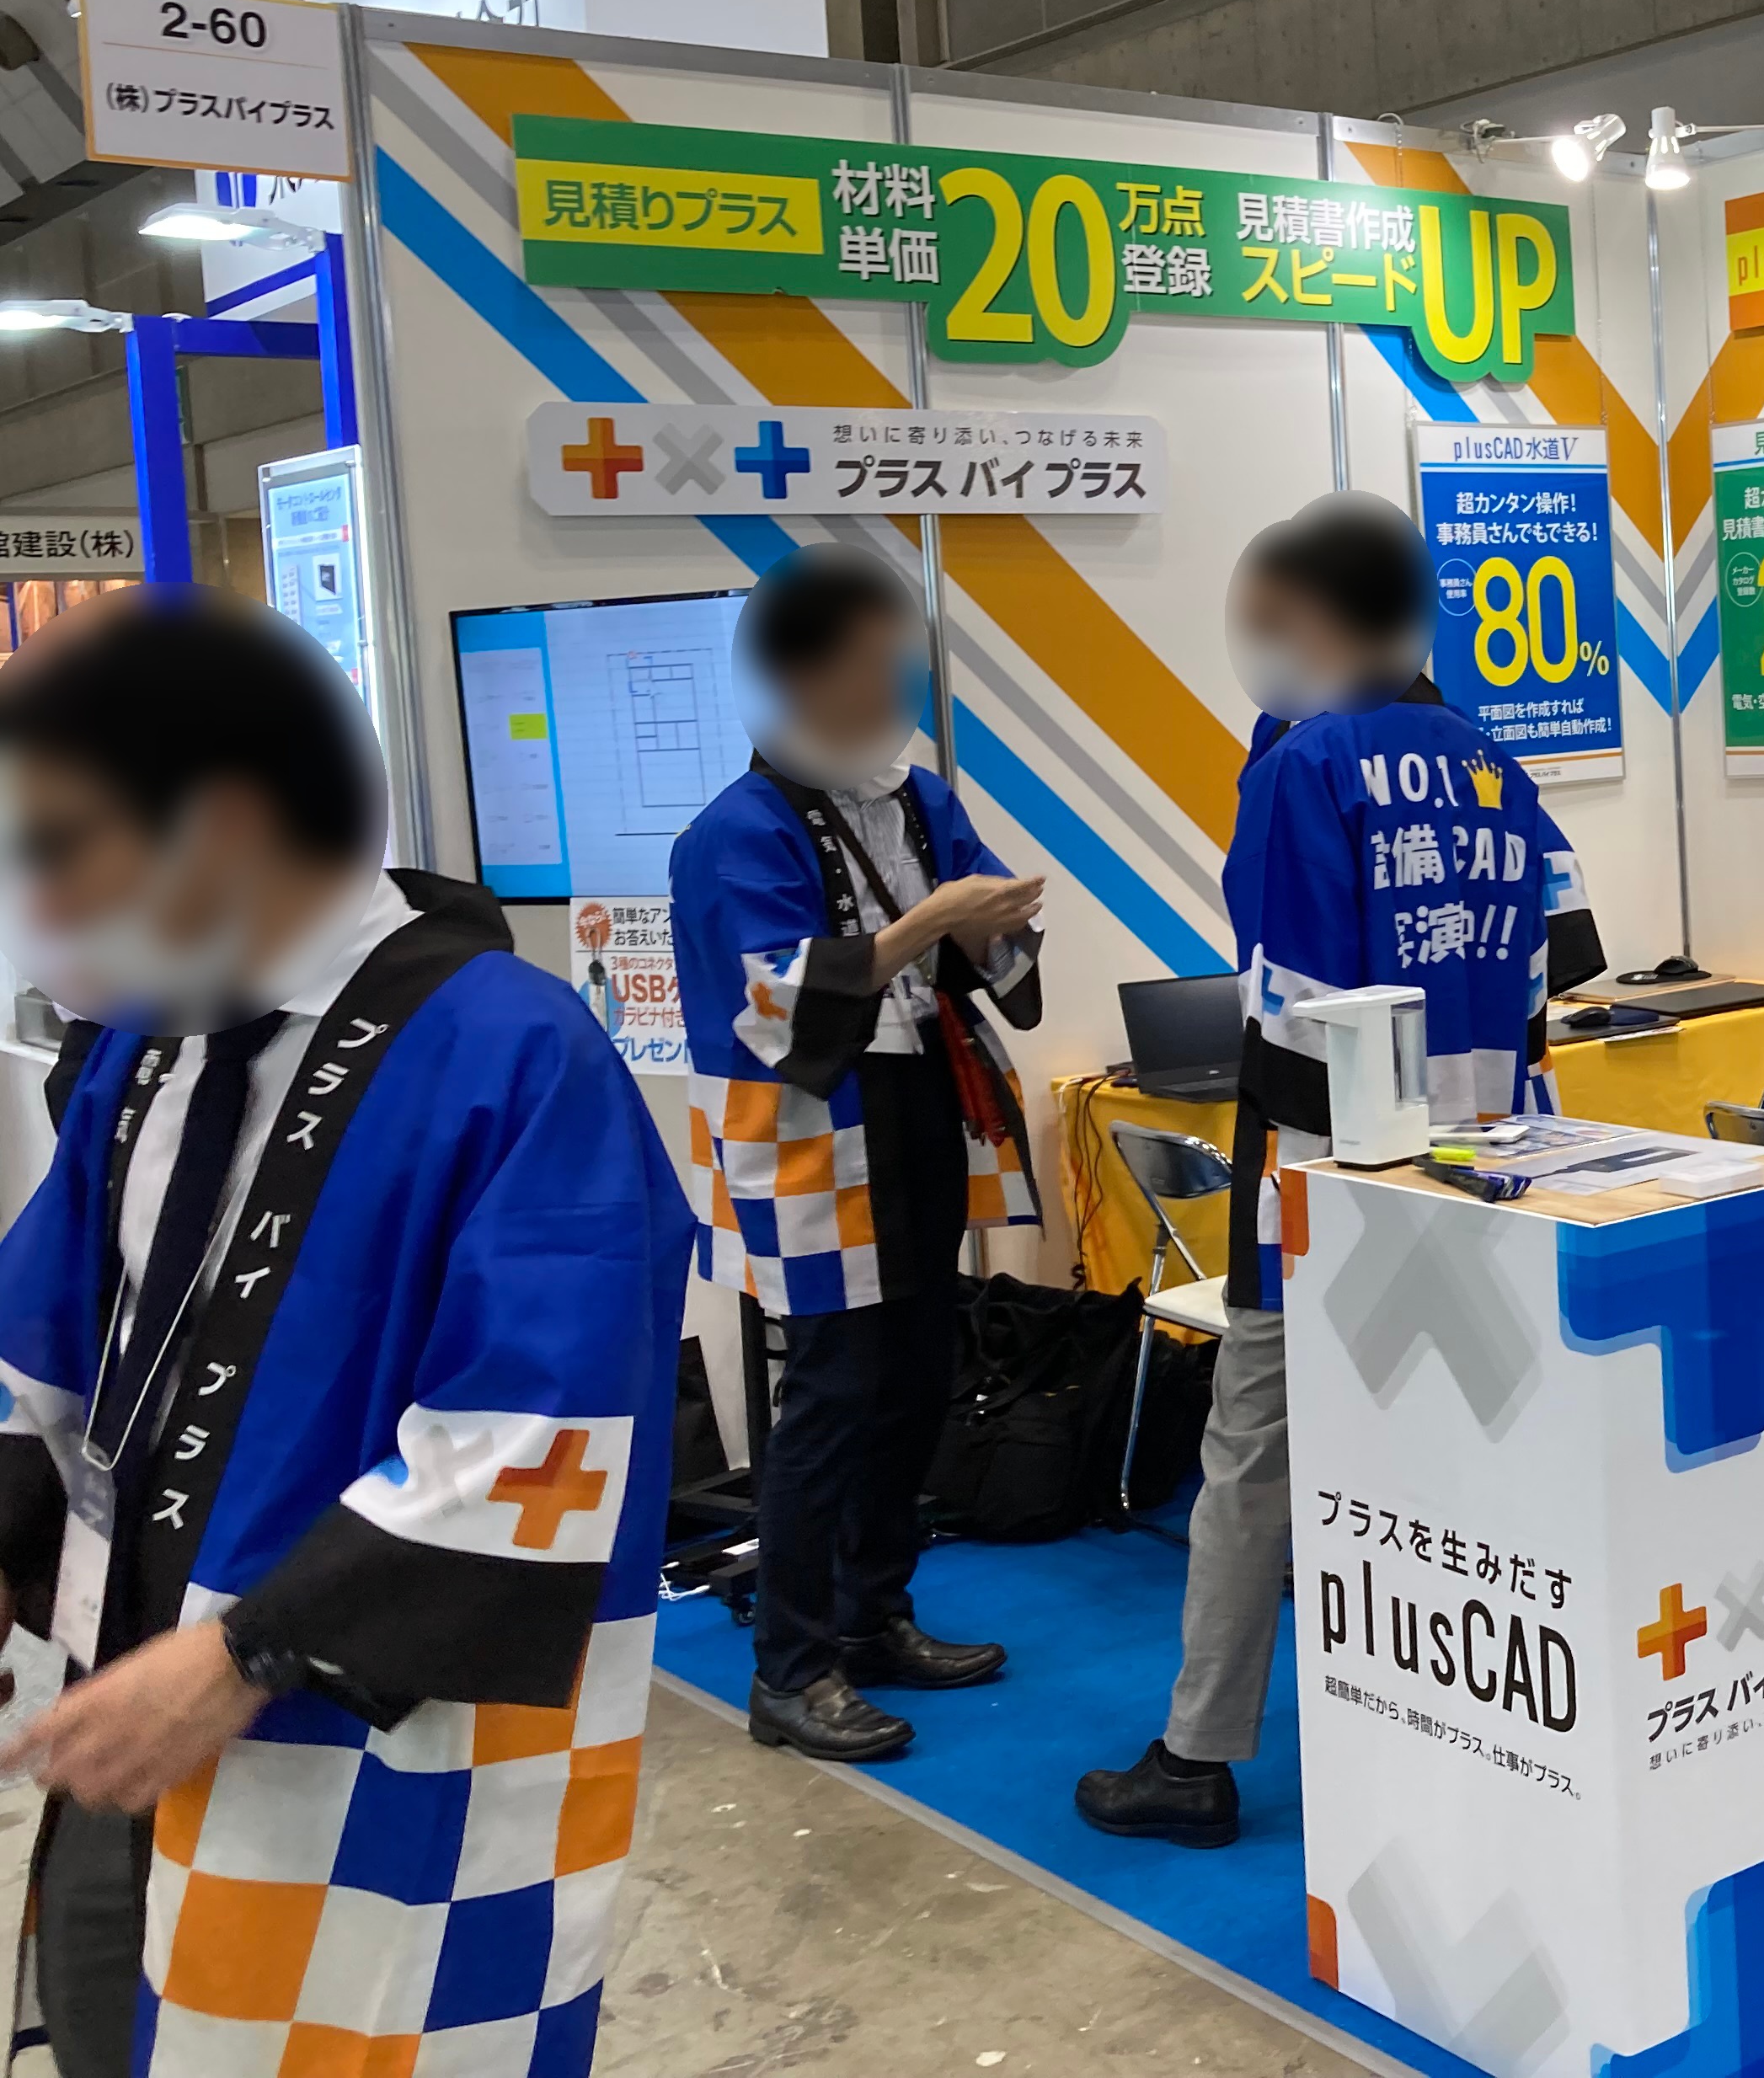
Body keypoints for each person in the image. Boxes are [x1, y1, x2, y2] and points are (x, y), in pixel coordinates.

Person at [0, 590, 687, 2078]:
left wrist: (248, 1649)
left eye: (56, 844)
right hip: (122, 1700)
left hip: (372, 1733)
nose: (32, 900)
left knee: (353, 2031)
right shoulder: (152, 1045)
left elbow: (549, 1432)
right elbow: (48, 1344)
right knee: (121, 2017)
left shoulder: (515, 1053)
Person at [1074, 494, 1597, 1848]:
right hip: (1492, 1173)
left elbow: (1294, 1008)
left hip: (1327, 1190)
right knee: (1461, 1463)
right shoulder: (1498, 764)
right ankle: (1471, 1739)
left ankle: (1195, 1756)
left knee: (1253, 1460)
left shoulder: (1305, 771)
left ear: (1312, 618)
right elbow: (1566, 967)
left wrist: (1318, 1201)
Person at [671, 546, 1045, 1763]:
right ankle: (792, 1667)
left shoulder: (921, 796)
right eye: (872, 667)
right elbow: (773, 1005)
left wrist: (989, 928)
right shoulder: (730, 832)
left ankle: (875, 1613)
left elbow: (987, 947)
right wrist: (933, 920)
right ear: (800, 675)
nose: (894, 690)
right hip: (809, 1127)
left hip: (922, 1096)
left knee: (919, 1369)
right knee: (832, 1391)